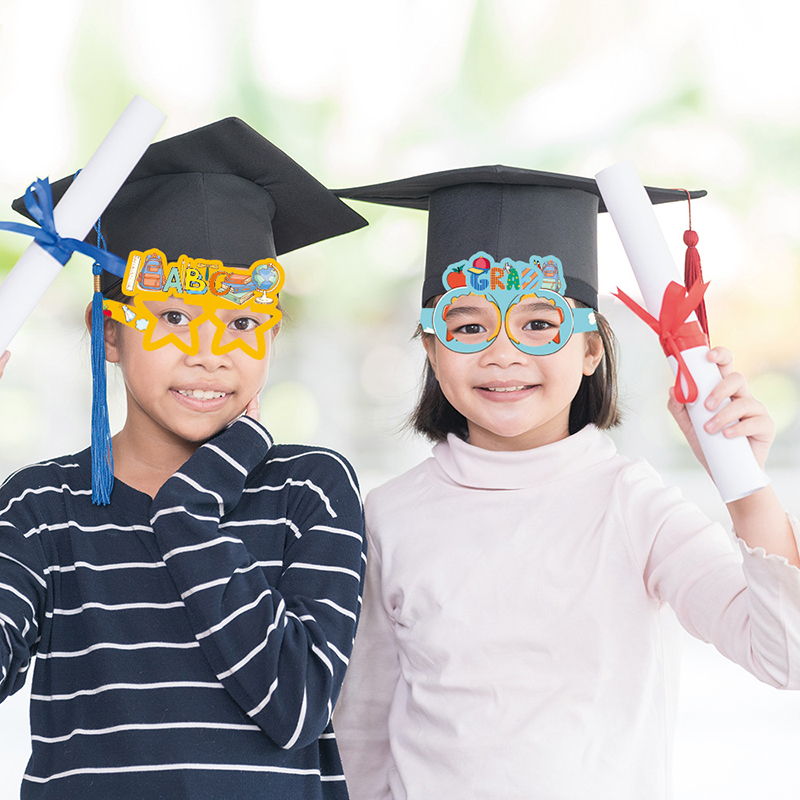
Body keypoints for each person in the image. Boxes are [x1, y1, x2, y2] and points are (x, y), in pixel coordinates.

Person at [331, 166, 800, 799]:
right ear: (431, 349)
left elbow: (786, 656)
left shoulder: (636, 508)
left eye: (538, 324)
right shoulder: (388, 517)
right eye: (468, 326)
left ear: (590, 350)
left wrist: (741, 481)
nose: (503, 353)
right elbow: (361, 733)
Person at [0, 118, 368, 799]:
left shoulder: (310, 488)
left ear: (272, 334)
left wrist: (190, 510)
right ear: (109, 332)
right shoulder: (41, 506)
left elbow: (297, 708)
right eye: (172, 318)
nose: (209, 354)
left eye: (242, 322)